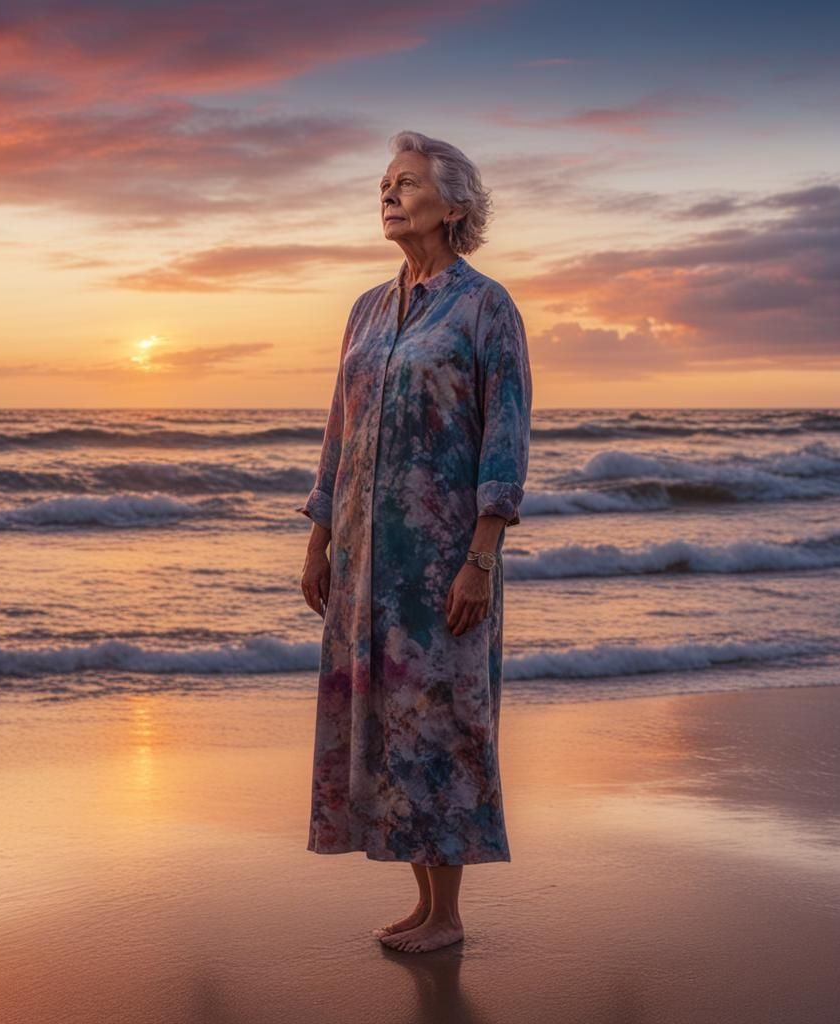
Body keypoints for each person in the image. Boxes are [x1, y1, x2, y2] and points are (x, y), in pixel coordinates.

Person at [296, 129, 533, 953]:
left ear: (453, 206)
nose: (387, 195)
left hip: (442, 564)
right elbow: (340, 429)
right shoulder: (367, 308)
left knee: (443, 720)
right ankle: (423, 904)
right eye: (383, 184)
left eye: (406, 184)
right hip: (367, 562)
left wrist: (481, 557)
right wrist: (319, 539)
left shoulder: (485, 306)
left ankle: (451, 913)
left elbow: (504, 439)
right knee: (392, 723)